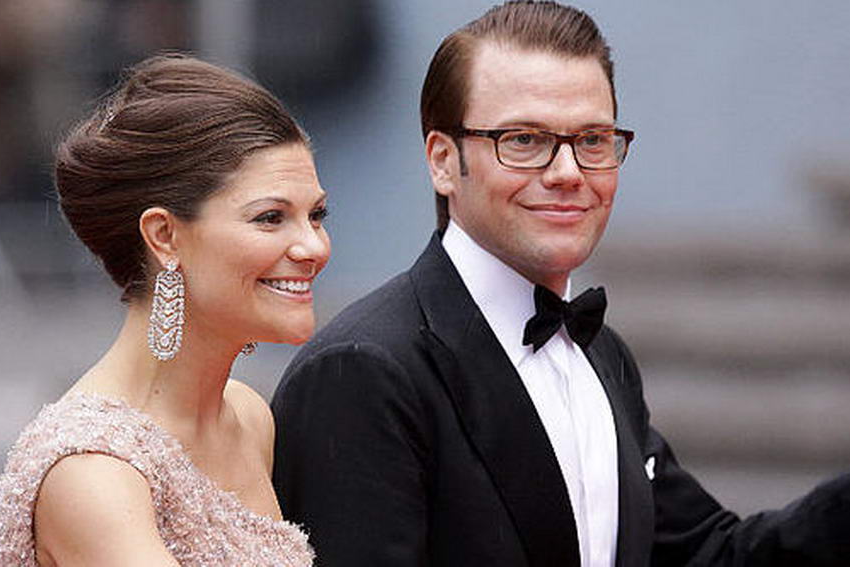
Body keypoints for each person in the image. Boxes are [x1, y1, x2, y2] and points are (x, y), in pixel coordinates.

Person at [270, 2, 850, 566]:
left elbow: (710, 553)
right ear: (443, 161)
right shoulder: (362, 370)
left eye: (593, 140)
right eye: (524, 140)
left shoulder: (603, 355)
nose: (569, 173)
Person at [0, 54, 328, 566]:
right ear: (164, 235)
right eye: (270, 218)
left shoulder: (247, 417)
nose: (314, 247)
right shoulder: (93, 470)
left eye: (317, 215)